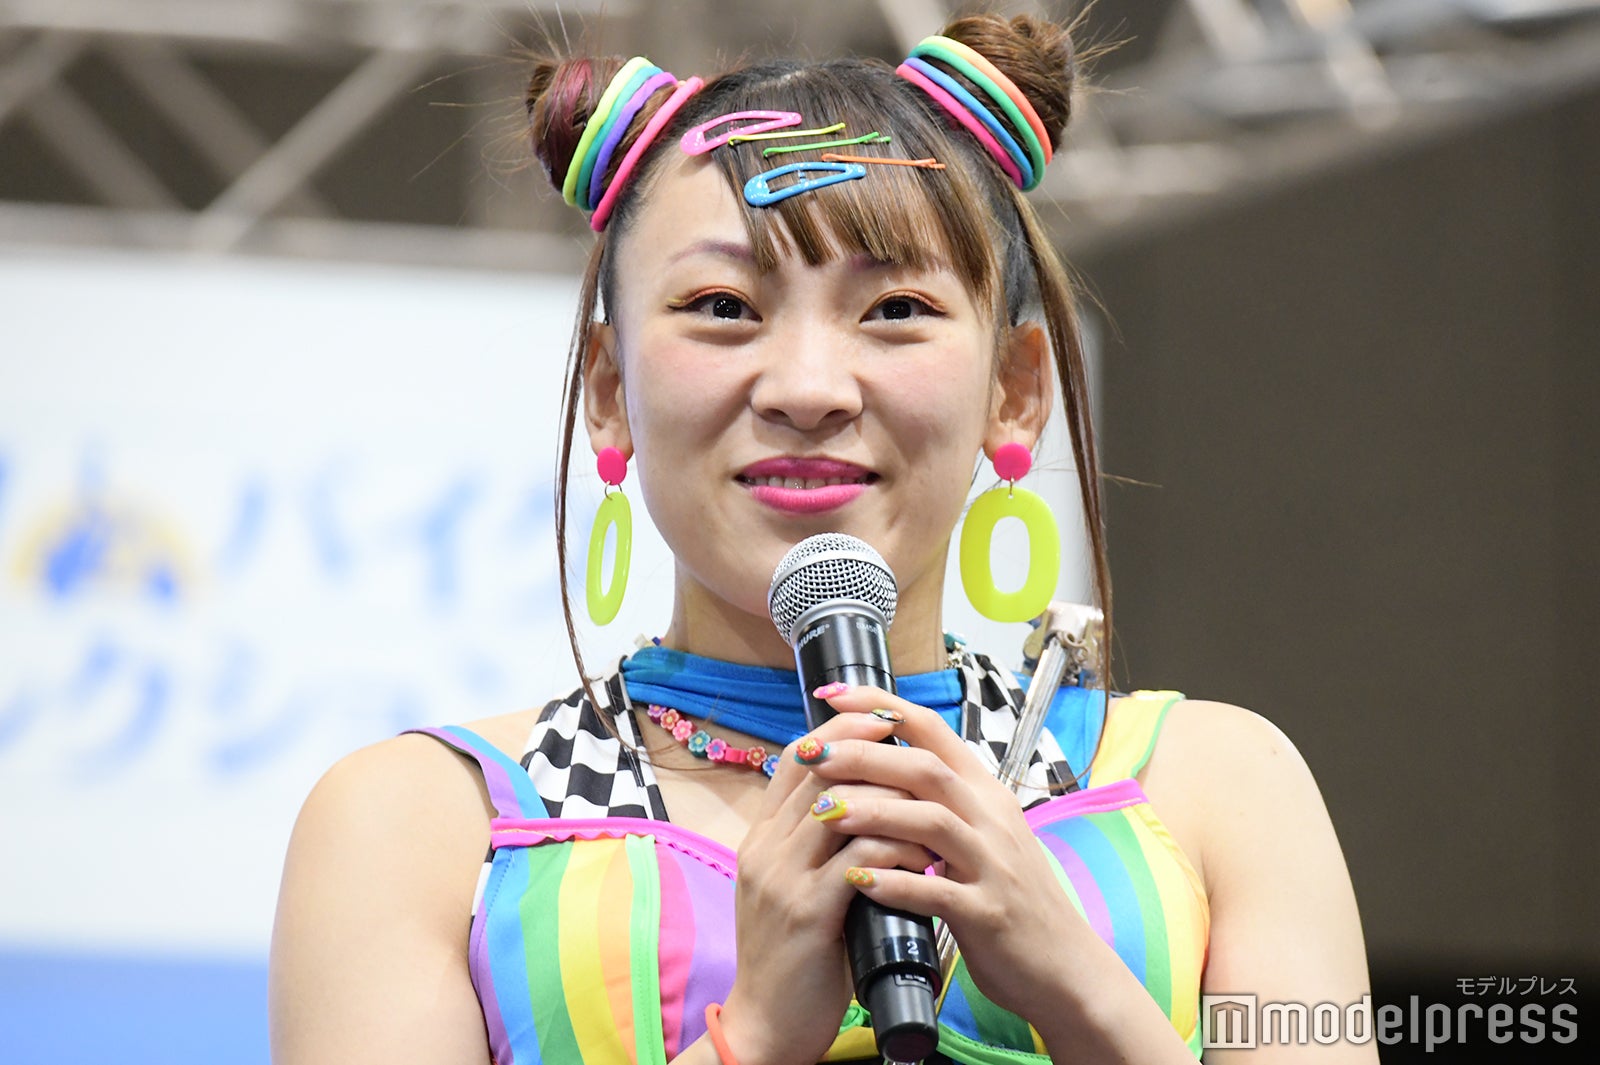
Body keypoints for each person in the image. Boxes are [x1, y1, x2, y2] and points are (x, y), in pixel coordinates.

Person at [269, 11, 1375, 1065]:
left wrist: (1078, 983)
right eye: (722, 307)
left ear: (1016, 390)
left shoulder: (1213, 789)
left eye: (895, 311)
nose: (807, 388)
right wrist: (751, 1033)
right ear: (608, 391)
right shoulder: (424, 824)